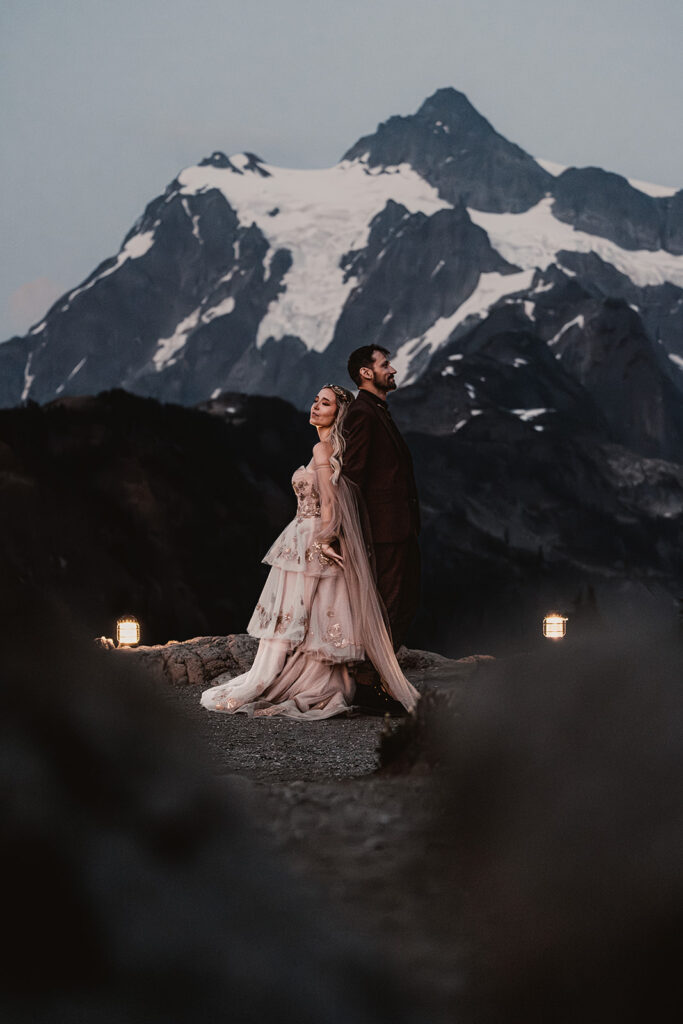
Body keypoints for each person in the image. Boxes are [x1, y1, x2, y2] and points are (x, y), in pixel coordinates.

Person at [200, 385, 419, 720]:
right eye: (316, 400)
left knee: (306, 614)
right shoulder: (332, 450)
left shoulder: (322, 450)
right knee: (313, 614)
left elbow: (330, 507)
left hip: (310, 537)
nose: (316, 406)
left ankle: (303, 680)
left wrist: (322, 540)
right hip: (305, 535)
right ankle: (316, 677)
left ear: (338, 413)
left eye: (325, 403)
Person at [343, 346, 421, 713]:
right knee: (388, 605)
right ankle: (367, 685)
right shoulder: (362, 413)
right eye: (385, 364)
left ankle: (379, 680)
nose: (393, 369)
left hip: (399, 527)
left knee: (403, 602)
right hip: (384, 531)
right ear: (366, 373)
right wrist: (358, 532)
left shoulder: (376, 411)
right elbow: (352, 476)